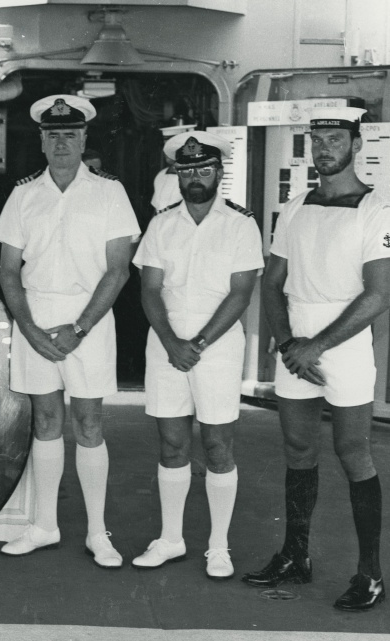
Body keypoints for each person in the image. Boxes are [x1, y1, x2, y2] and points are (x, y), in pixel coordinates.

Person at [242, 107, 389, 610]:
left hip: (343, 347)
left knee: (353, 452)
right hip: (296, 348)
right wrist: (287, 345)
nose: (323, 148)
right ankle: (295, 556)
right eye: (316, 139)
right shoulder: (296, 206)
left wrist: (316, 346)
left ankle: (369, 574)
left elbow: (378, 294)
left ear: (356, 143)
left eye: (334, 139)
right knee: (298, 449)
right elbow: (273, 282)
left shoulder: (379, 209)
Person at [0, 95, 140, 566]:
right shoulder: (23, 193)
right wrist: (29, 328)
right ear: (40, 139)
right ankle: (44, 526)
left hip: (88, 319)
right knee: (47, 422)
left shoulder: (109, 192)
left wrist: (79, 327)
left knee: (89, 423)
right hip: (36, 315)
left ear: (83, 139)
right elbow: (9, 271)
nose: (61, 143)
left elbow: (118, 270)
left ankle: (98, 532)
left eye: (70, 134)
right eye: (52, 134)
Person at [131, 131, 263, 579]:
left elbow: (240, 294)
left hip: (218, 347)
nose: (195, 178)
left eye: (203, 169)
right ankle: (171, 539)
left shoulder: (241, 224)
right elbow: (149, 290)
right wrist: (172, 343)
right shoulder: (162, 223)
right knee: (171, 443)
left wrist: (198, 344)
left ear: (219, 173)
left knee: (217, 445)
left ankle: (219, 546)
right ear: (177, 175)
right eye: (186, 171)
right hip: (167, 343)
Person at [151, 124, 196, 214]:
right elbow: (157, 210)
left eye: (170, 147)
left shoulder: (196, 176)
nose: (165, 151)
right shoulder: (161, 175)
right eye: (165, 146)